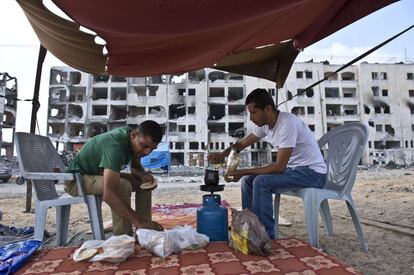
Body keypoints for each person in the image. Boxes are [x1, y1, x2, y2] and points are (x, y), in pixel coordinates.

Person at [208, 88, 327, 238]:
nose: (251, 118)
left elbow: (278, 167)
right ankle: (250, 226)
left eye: (254, 112)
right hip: (294, 170)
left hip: (313, 173)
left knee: (261, 182)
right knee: (247, 181)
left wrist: (244, 171)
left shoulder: (287, 124)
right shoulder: (266, 125)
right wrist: (222, 154)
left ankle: (265, 235)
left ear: (268, 109)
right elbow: (242, 144)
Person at [64, 120, 164, 236]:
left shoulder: (134, 143)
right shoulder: (115, 145)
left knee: (143, 184)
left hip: (98, 174)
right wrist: (139, 221)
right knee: (122, 185)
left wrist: (143, 175)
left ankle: (145, 233)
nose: (147, 152)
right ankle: (123, 237)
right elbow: (109, 193)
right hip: (75, 180)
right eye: (145, 146)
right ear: (133, 135)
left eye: (152, 149)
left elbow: (135, 167)